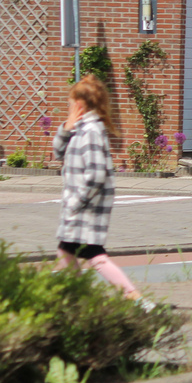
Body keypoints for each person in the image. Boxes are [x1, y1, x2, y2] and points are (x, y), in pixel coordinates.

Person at [53, 75, 152, 309]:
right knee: (67, 250)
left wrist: (77, 202)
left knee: (93, 254)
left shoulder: (91, 132)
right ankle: (74, 301)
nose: (69, 107)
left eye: (70, 103)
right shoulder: (79, 129)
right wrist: (66, 128)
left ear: (79, 103)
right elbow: (58, 153)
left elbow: (97, 174)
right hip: (80, 207)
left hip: (86, 208)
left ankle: (133, 297)